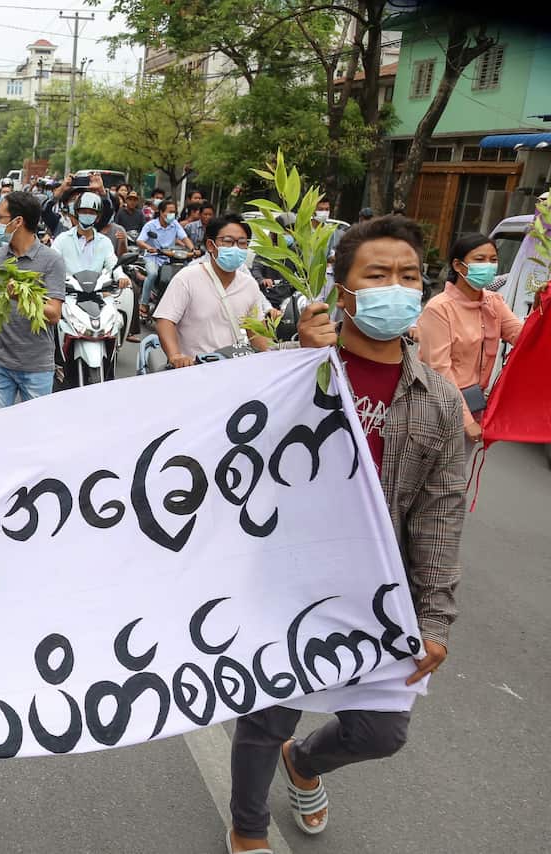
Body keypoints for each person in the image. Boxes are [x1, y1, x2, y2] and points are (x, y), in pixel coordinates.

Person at [227, 215, 465, 854]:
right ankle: (247, 828)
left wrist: (435, 618)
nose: (397, 287)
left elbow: (439, 517)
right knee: (266, 715)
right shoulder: (291, 375)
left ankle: (304, 763)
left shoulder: (438, 401)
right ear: (343, 290)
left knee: (381, 730)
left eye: (409, 275)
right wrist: (301, 363)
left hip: (374, 595)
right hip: (284, 579)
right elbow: (236, 459)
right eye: (378, 274)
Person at [0, 191, 65, 410]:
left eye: (1, 218)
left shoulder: (51, 260)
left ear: (18, 221)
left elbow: (54, 314)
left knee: (34, 434)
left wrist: (22, 297)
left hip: (36, 365)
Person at [416, 232, 524, 445]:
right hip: (437, 408)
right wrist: (465, 421)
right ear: (458, 265)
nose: (489, 266)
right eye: (479, 259)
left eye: (493, 260)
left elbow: (521, 337)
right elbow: (439, 370)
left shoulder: (494, 302)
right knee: (430, 476)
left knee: (455, 476)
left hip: (473, 405)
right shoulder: (439, 308)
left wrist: (542, 308)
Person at [153, 214, 273, 363]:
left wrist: (268, 358)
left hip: (232, 369)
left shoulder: (249, 285)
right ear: (211, 245)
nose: (236, 248)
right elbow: (165, 320)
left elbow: (255, 331)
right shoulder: (187, 278)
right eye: (228, 241)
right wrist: (176, 356)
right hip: (193, 369)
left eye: (242, 243)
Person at [136, 199, 195, 319]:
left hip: (170, 258)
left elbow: (184, 238)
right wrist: (149, 247)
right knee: (152, 274)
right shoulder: (151, 225)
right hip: (153, 257)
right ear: (162, 212)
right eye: (170, 211)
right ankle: (144, 303)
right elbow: (140, 240)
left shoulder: (175, 225)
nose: (173, 214)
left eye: (174, 212)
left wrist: (193, 249)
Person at [51, 192, 117, 279]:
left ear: (98, 217)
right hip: (68, 290)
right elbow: (51, 262)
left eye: (91, 213)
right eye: (83, 212)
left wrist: (120, 276)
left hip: (96, 290)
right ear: (77, 213)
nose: (87, 215)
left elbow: (112, 263)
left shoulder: (105, 242)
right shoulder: (62, 239)